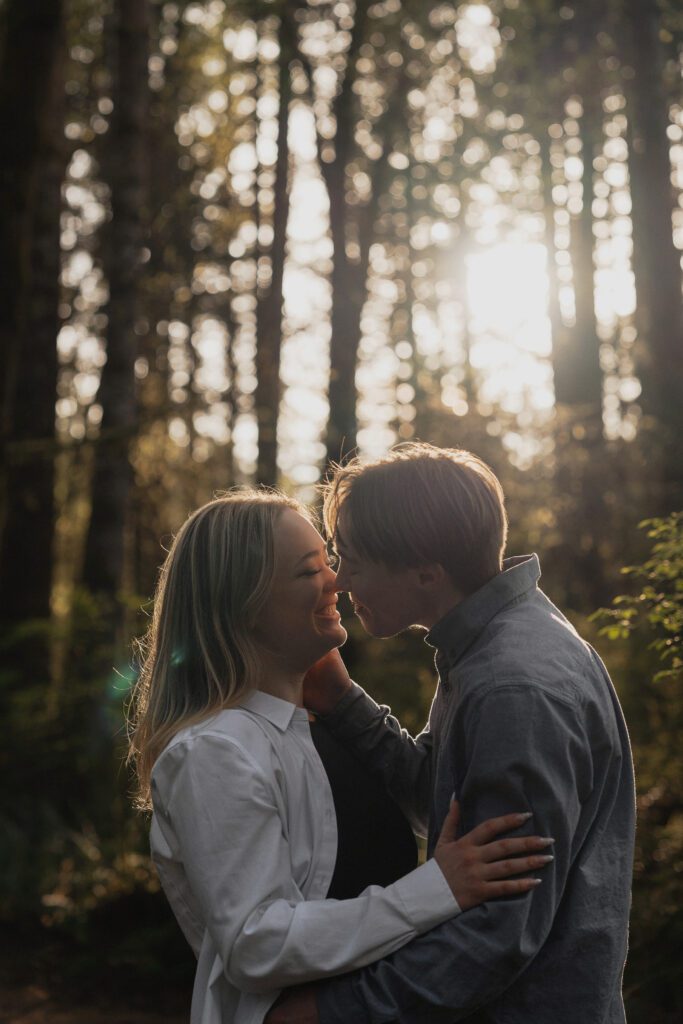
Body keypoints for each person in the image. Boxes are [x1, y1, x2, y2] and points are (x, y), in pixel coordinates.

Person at [128, 489, 554, 1024]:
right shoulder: (214, 751)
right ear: (244, 603)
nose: (338, 580)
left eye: (329, 562)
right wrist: (436, 888)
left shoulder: (314, 726)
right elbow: (256, 943)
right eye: (310, 572)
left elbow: (423, 797)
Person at [267, 443, 636, 1024]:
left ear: (425, 572)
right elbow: (444, 806)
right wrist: (341, 701)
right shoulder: (491, 645)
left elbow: (498, 932)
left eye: (354, 560)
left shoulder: (513, 688)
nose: (337, 581)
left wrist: (336, 1009)